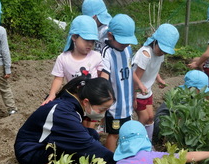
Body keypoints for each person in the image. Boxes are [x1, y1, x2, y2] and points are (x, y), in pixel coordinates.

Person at [14, 75, 116, 164]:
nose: (103, 114)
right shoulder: (62, 114)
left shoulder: (70, 103)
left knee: (91, 134)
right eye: (102, 109)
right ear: (86, 102)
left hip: (42, 145)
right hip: (30, 152)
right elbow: (88, 146)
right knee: (79, 147)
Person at [42, 15, 103, 106]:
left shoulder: (96, 56)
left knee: (89, 120)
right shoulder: (63, 58)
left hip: (91, 99)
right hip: (74, 98)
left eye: (92, 41)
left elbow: (101, 75)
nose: (90, 44)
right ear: (74, 37)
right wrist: (52, 95)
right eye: (86, 40)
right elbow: (58, 79)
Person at [132, 23, 179, 141]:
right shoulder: (145, 54)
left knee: (151, 117)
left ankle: (148, 143)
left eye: (165, 51)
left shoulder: (159, 53)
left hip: (146, 91)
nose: (162, 52)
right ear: (155, 41)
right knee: (143, 118)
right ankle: (135, 141)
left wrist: (159, 79)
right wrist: (133, 97)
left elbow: (154, 68)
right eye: (162, 49)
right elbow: (134, 77)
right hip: (137, 91)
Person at [101, 14, 138, 152]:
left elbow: (130, 70)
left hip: (127, 103)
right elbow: (103, 79)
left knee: (126, 132)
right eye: (123, 42)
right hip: (114, 106)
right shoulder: (106, 53)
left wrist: (137, 89)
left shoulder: (128, 49)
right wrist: (104, 103)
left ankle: (123, 158)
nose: (126, 44)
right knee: (114, 134)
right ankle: (110, 161)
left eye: (128, 41)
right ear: (110, 36)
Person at [153, 70, 209, 145]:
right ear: (193, 88)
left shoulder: (189, 94)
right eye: (202, 90)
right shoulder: (182, 99)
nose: (204, 93)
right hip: (162, 126)